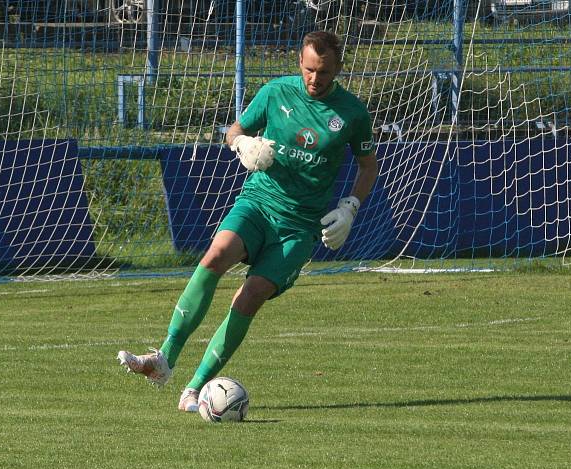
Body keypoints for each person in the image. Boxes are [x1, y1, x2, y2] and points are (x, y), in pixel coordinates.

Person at [117, 31, 378, 412]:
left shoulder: (352, 113)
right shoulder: (275, 93)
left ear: (338, 68)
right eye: (308, 69)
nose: (314, 79)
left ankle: (195, 388)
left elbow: (367, 166)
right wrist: (242, 144)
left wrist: (351, 206)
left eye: (323, 72)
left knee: (249, 295)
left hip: (300, 226)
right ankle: (164, 358)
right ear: (299, 63)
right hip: (258, 202)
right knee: (214, 257)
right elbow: (234, 130)